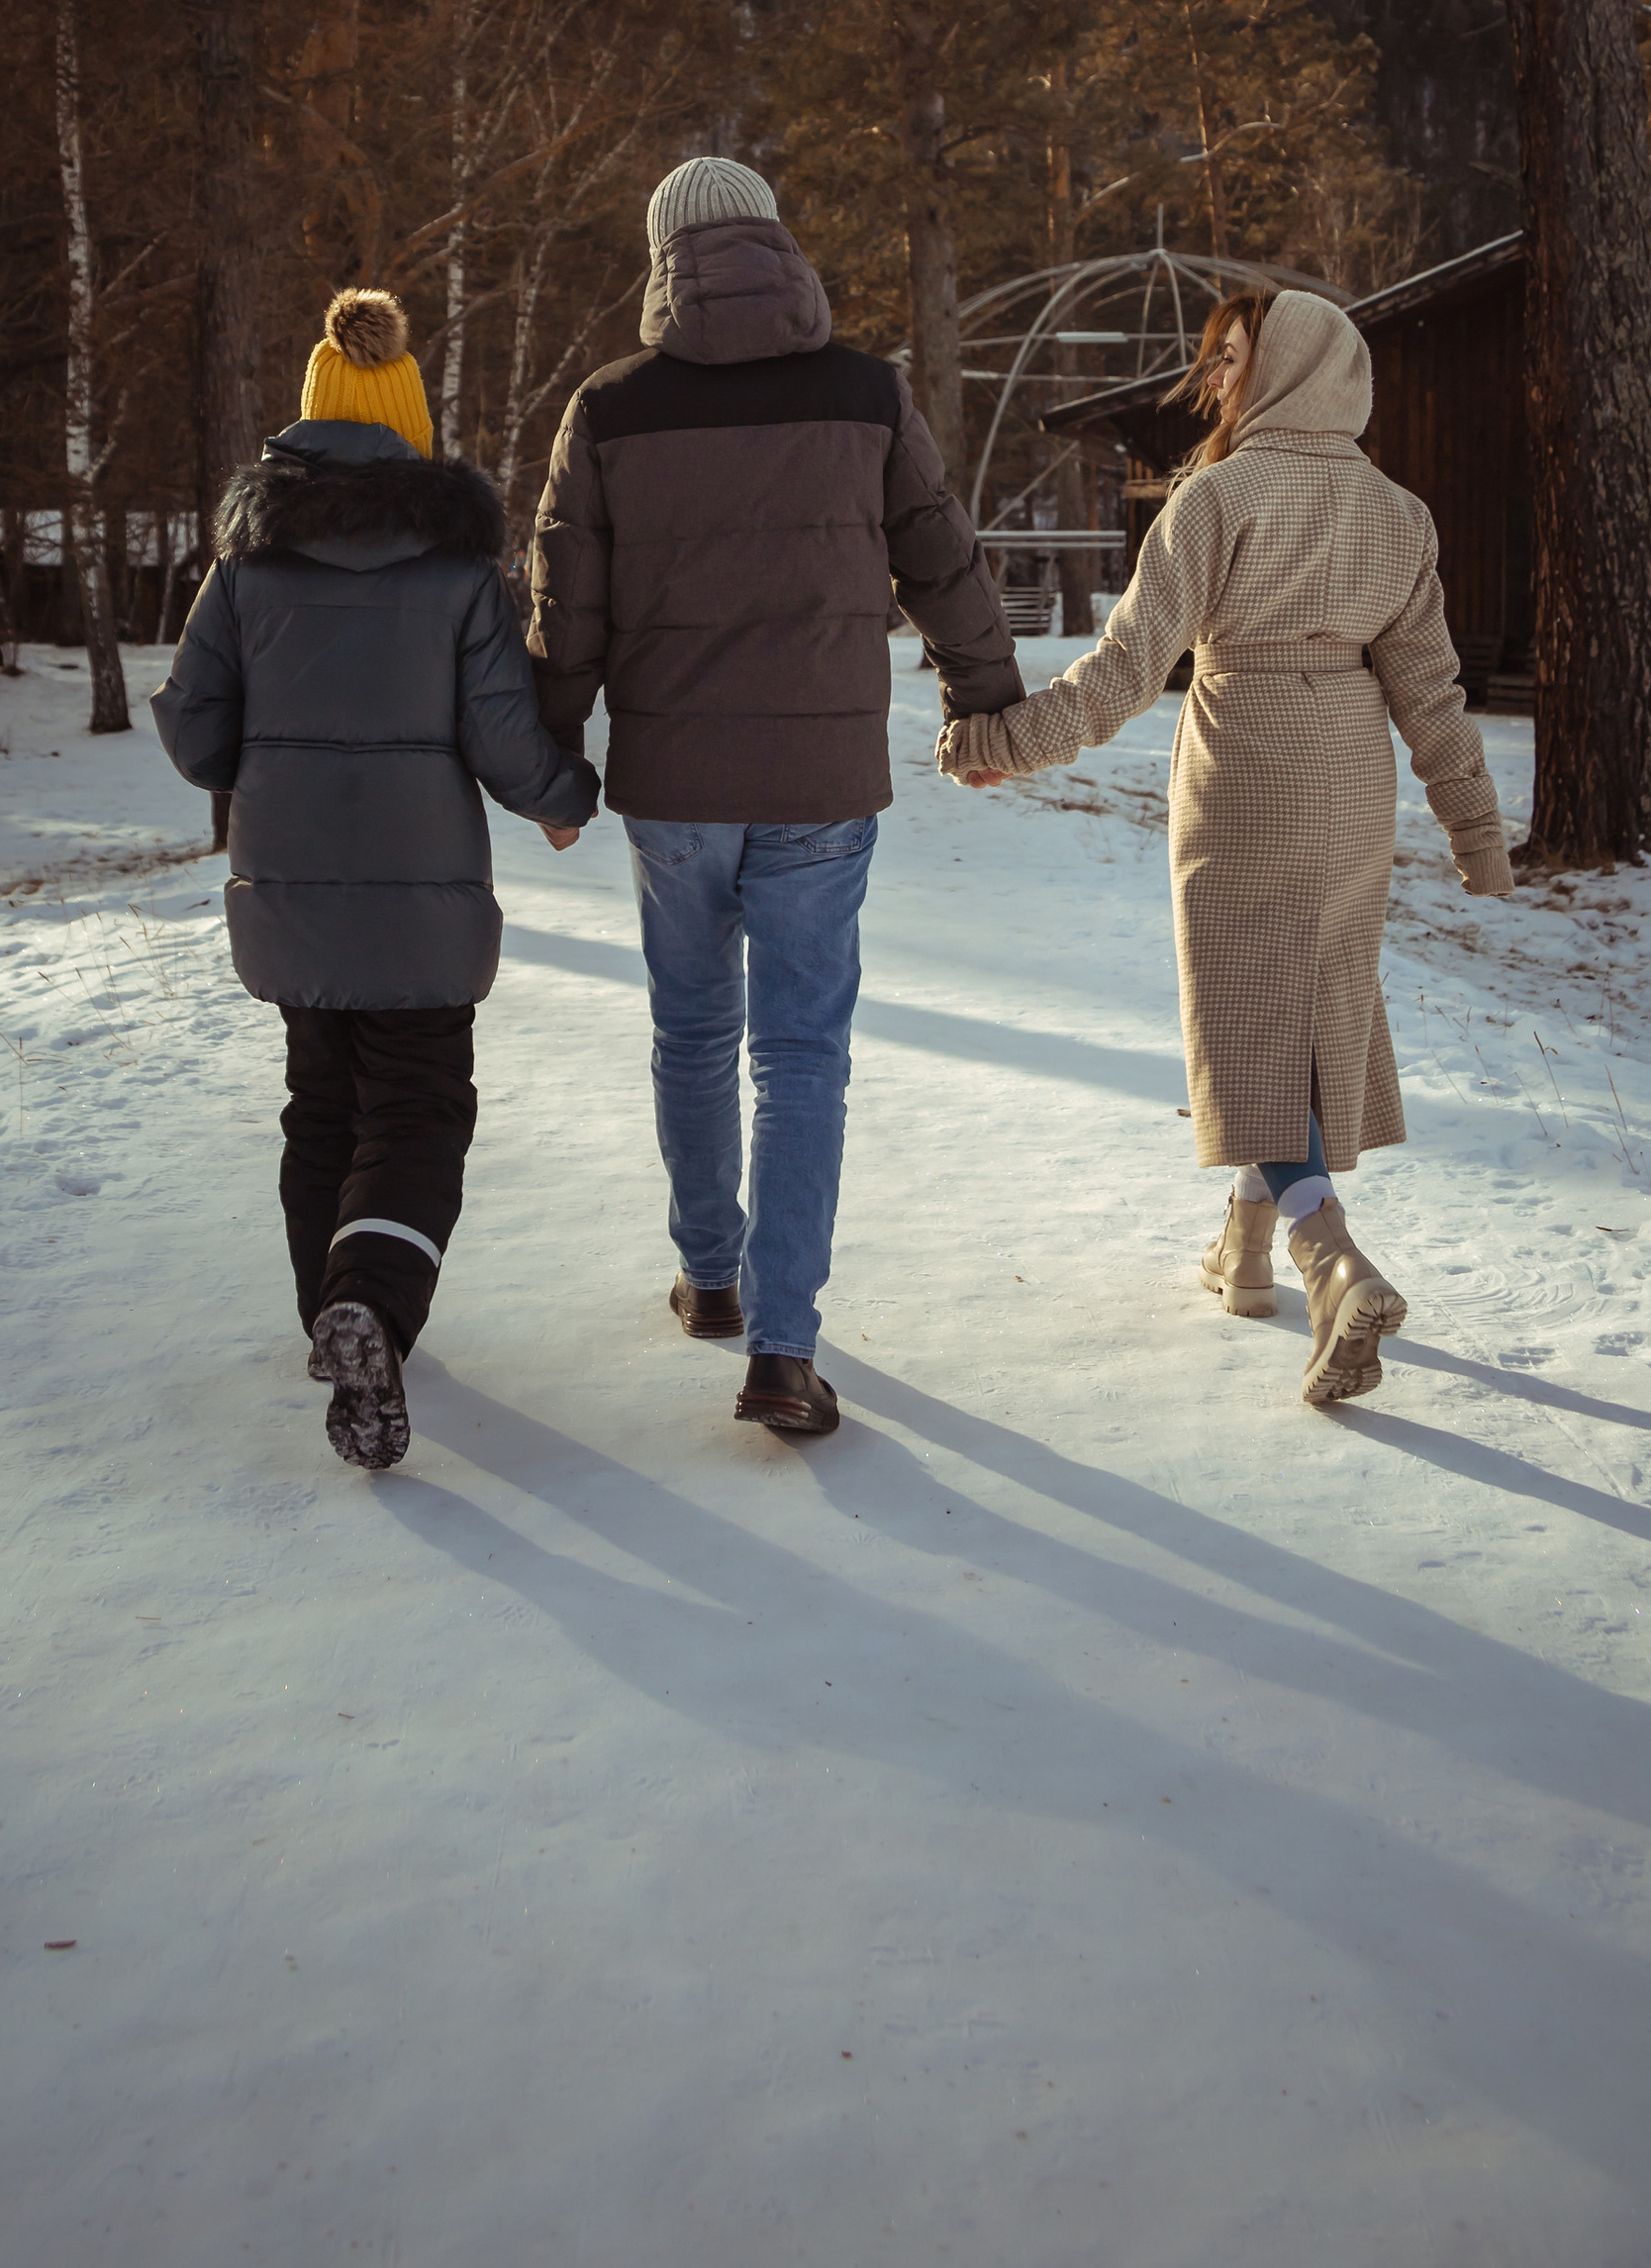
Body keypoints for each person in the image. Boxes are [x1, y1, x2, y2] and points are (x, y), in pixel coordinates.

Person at [940, 284, 1512, 1408]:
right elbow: (1430, 694)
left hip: (1246, 766)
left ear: (1290, 367)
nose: (1214, 380)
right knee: (1306, 1000)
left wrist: (1001, 738)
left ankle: (1325, 1254)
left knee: (1251, 1009)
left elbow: (1122, 672)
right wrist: (1475, 835)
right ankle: (1242, 1252)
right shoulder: (1400, 515)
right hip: (1352, 779)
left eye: (1232, 357)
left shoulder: (1215, 499)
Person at [527, 155, 1021, 1439]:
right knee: (801, 1057)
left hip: (675, 784)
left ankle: (710, 1280)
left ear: (663, 262)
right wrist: (985, 696)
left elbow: (565, 601)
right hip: (819, 782)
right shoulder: (864, 392)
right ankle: (786, 1355)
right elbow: (939, 548)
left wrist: (553, 758)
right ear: (776, 246)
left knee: (693, 1034)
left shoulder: (611, 408)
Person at [151, 288, 598, 1471]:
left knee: (320, 1101)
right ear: (409, 425)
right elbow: (503, 732)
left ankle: (333, 1320)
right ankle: (375, 1308)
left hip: (290, 883)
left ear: (300, 423)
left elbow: (195, 734)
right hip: (421, 892)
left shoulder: (245, 567)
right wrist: (562, 800)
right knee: (417, 1103)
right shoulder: (454, 570)